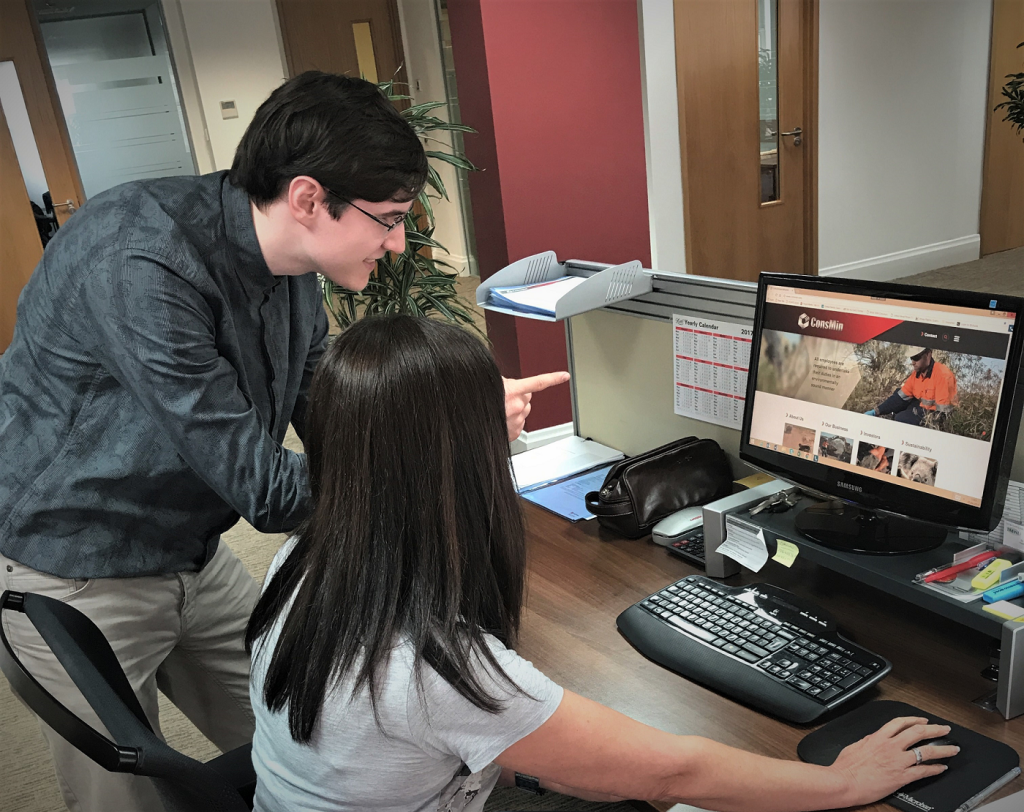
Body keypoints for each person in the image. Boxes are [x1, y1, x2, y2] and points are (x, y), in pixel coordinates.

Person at [0, 71, 565, 812]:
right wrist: (445, 448)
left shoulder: (292, 262)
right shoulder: (141, 263)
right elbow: (266, 492)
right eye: (387, 219)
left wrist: (438, 412)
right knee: (125, 798)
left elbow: (328, 407)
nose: (398, 244)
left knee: (307, 740)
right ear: (306, 198)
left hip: (194, 547)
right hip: (76, 560)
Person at [246, 314, 957, 812]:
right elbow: (676, 770)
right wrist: (844, 782)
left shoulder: (306, 560)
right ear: (462, 464)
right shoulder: (435, 666)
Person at [864, 347, 957, 427]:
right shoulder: (916, 375)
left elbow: (942, 414)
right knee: (897, 395)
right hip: (920, 408)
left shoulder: (943, 376)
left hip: (932, 415)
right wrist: (876, 411)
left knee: (901, 418)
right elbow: (899, 398)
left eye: (916, 358)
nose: (913, 362)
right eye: (911, 358)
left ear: (928, 355)